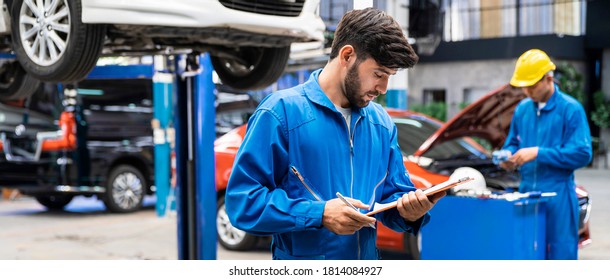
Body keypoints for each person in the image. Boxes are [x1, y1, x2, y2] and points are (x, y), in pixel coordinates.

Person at [225, 8, 445, 260]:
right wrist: (318, 214)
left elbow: (391, 198)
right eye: (379, 74)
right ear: (347, 55)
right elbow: (242, 203)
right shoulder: (280, 113)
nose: (383, 88)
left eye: (389, 77)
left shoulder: (381, 124)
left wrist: (410, 211)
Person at [498, 49, 592, 259]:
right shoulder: (522, 110)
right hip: (526, 194)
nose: (528, 92)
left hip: (558, 195)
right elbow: (512, 143)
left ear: (549, 79)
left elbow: (583, 153)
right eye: (524, 87)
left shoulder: (571, 110)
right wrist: (508, 156)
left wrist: (539, 153)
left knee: (560, 255)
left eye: (532, 86)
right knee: (526, 255)